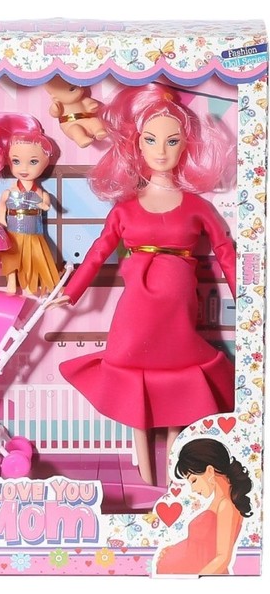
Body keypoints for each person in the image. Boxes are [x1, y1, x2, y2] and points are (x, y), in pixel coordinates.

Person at [50, 83, 236, 485]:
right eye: (151, 140)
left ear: (186, 145)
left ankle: (173, 475)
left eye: (172, 140)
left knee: (178, 381)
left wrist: (249, 296)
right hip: (136, 312)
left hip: (178, 311)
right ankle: (148, 479)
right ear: (137, 144)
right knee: (134, 380)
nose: (161, 151)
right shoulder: (125, 209)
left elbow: (225, 250)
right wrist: (71, 292)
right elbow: (98, 252)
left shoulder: (197, 207)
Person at [155, 438, 253, 575]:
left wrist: (195, 581)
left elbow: (223, 558)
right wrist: (174, 551)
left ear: (210, 471)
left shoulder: (226, 505)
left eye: (194, 480)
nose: (193, 489)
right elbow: (205, 544)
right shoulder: (219, 501)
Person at [0, 125, 60, 294]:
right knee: (11, 257)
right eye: (16, 161)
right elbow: (2, 208)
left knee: (33, 257)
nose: (24, 169)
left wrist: (41, 204)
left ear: (45, 163)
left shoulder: (41, 193)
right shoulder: (9, 192)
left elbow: (46, 205)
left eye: (33, 162)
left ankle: (30, 284)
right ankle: (11, 282)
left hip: (33, 231)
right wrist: (0, 221)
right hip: (13, 230)